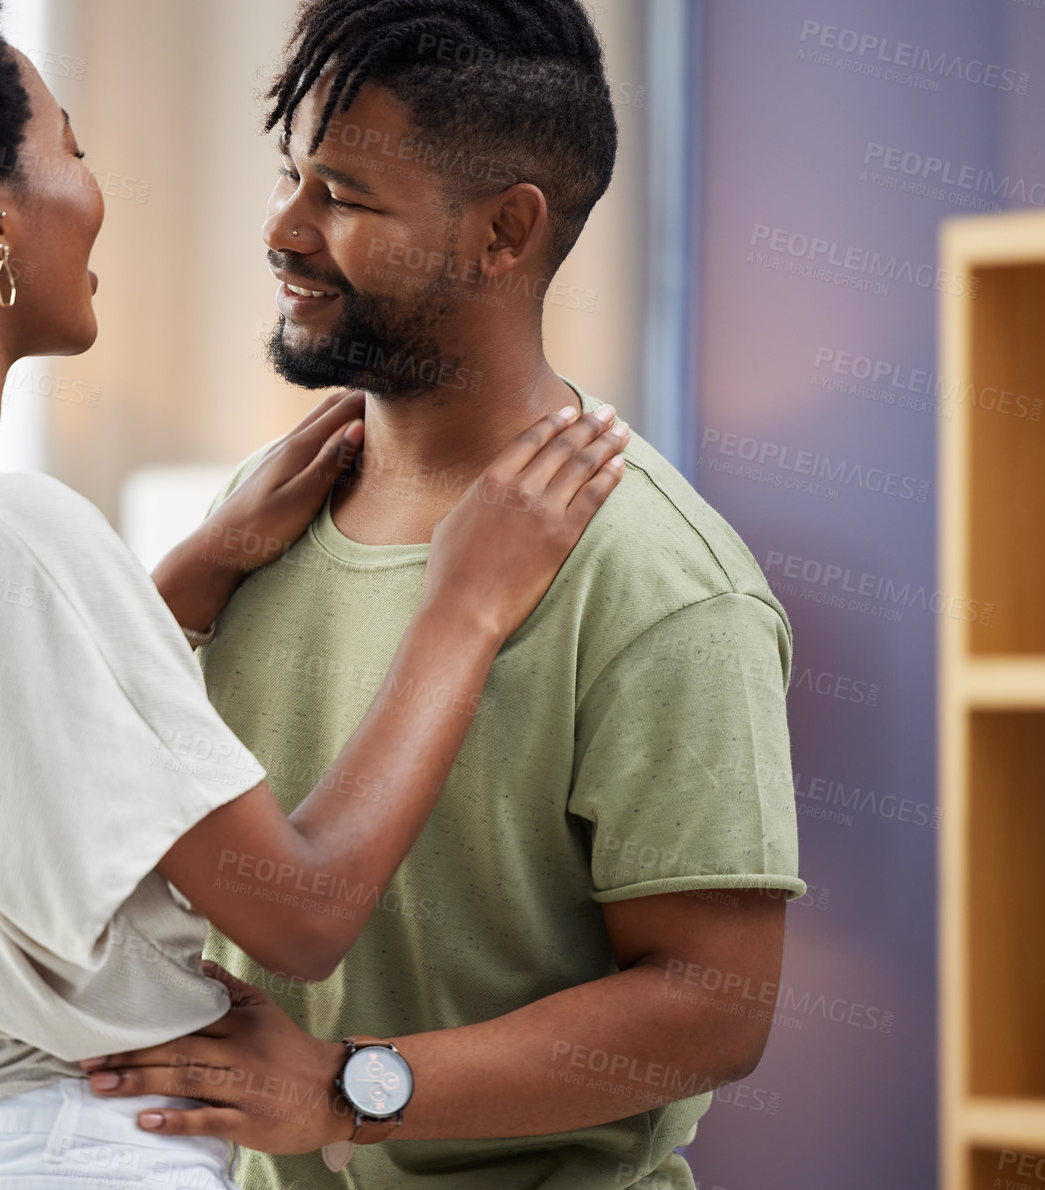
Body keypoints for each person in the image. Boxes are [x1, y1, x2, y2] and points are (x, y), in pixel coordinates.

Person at [0, 1, 627, 1188]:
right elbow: (301, 905)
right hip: (76, 1152)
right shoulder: (10, 532)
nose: (93, 188)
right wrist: (464, 606)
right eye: (71, 149)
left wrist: (196, 565)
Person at [74, 3, 808, 1189]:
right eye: (286, 176)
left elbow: (710, 1005)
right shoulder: (254, 523)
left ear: (503, 232)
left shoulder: (663, 582)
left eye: (345, 196)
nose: (280, 229)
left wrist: (349, 1086)